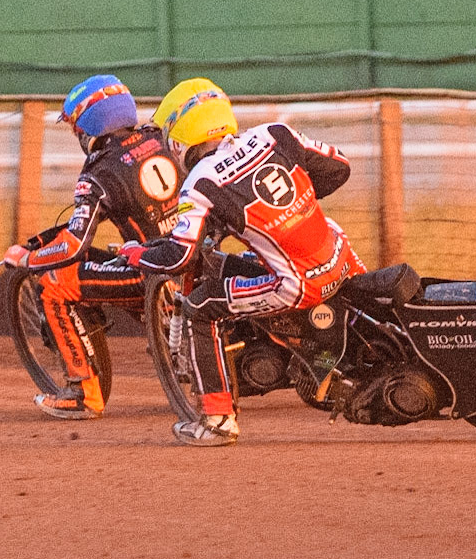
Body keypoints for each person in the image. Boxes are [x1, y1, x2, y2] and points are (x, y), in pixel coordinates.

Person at [129, 78, 366, 446]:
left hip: (300, 284)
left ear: (180, 137)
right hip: (339, 254)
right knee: (270, 250)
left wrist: (138, 254)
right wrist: (289, 211)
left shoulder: (201, 182)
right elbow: (339, 168)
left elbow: (180, 255)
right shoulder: (276, 133)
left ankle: (218, 421)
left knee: (201, 305)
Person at [3, 75, 182, 419]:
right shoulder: (161, 138)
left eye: (76, 128)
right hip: (200, 260)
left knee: (55, 284)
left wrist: (31, 257)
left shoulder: (98, 174)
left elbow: (73, 246)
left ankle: (83, 395)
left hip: (157, 273)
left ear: (90, 125)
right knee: (123, 253)